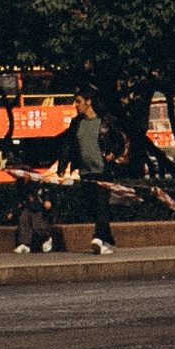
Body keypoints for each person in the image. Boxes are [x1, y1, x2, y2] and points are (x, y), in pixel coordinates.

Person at [64, 93, 116, 254]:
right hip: (85, 172)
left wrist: (113, 153)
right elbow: (69, 146)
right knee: (93, 206)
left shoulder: (105, 122)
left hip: (102, 171)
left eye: (79, 101)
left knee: (101, 204)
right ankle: (107, 240)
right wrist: (63, 165)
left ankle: (98, 238)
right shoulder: (76, 123)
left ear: (89, 102)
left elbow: (119, 140)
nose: (76, 105)